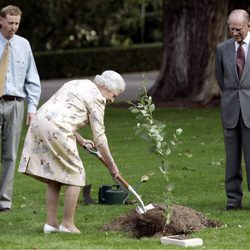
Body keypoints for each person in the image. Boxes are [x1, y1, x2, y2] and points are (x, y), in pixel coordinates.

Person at [18, 70, 126, 233]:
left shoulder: (78, 83)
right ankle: (67, 225)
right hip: (57, 128)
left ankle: (51, 224)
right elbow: (100, 138)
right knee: (76, 175)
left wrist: (81, 140)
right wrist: (112, 166)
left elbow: (61, 112)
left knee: (55, 175)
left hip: (40, 122)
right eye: (114, 95)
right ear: (105, 87)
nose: (112, 99)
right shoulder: (97, 97)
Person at [0, 5, 40, 212]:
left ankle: (4, 202)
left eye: (17, 23)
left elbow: (32, 79)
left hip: (16, 104)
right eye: (10, 23)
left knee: (10, 155)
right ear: (1, 20)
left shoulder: (24, 45)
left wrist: (32, 108)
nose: (13, 27)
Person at [215, 9, 250, 210]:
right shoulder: (222, 49)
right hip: (230, 110)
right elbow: (221, 79)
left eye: (238, 29)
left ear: (248, 26)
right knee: (232, 158)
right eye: (231, 28)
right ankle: (233, 200)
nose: (234, 32)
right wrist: (231, 96)